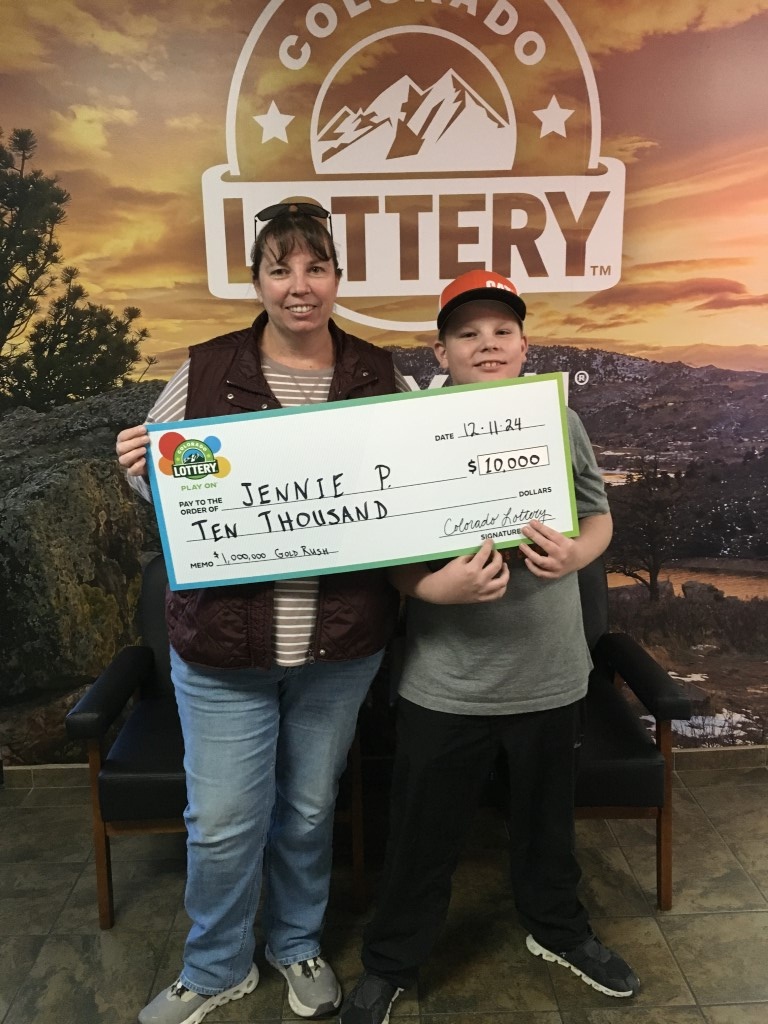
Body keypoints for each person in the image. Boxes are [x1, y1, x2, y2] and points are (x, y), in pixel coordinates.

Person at [116, 201, 408, 1024]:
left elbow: (424, 478)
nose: (299, 286)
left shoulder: (381, 376)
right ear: (257, 281)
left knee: (310, 809)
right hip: (221, 650)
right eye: (280, 269)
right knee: (220, 823)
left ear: (337, 278)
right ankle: (214, 966)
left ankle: (295, 941)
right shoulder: (204, 372)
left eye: (315, 267)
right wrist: (140, 467)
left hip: (340, 647)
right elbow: (169, 496)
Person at [340, 269, 640, 1024]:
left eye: (502, 330)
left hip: (550, 672)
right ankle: (392, 963)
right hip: (447, 680)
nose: (487, 344)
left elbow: (598, 517)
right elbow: (394, 548)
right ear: (441, 350)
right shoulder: (412, 427)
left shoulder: (558, 419)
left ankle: (559, 932)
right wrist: (431, 589)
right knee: (420, 837)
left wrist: (578, 555)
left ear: (524, 343)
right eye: (467, 332)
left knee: (548, 827)